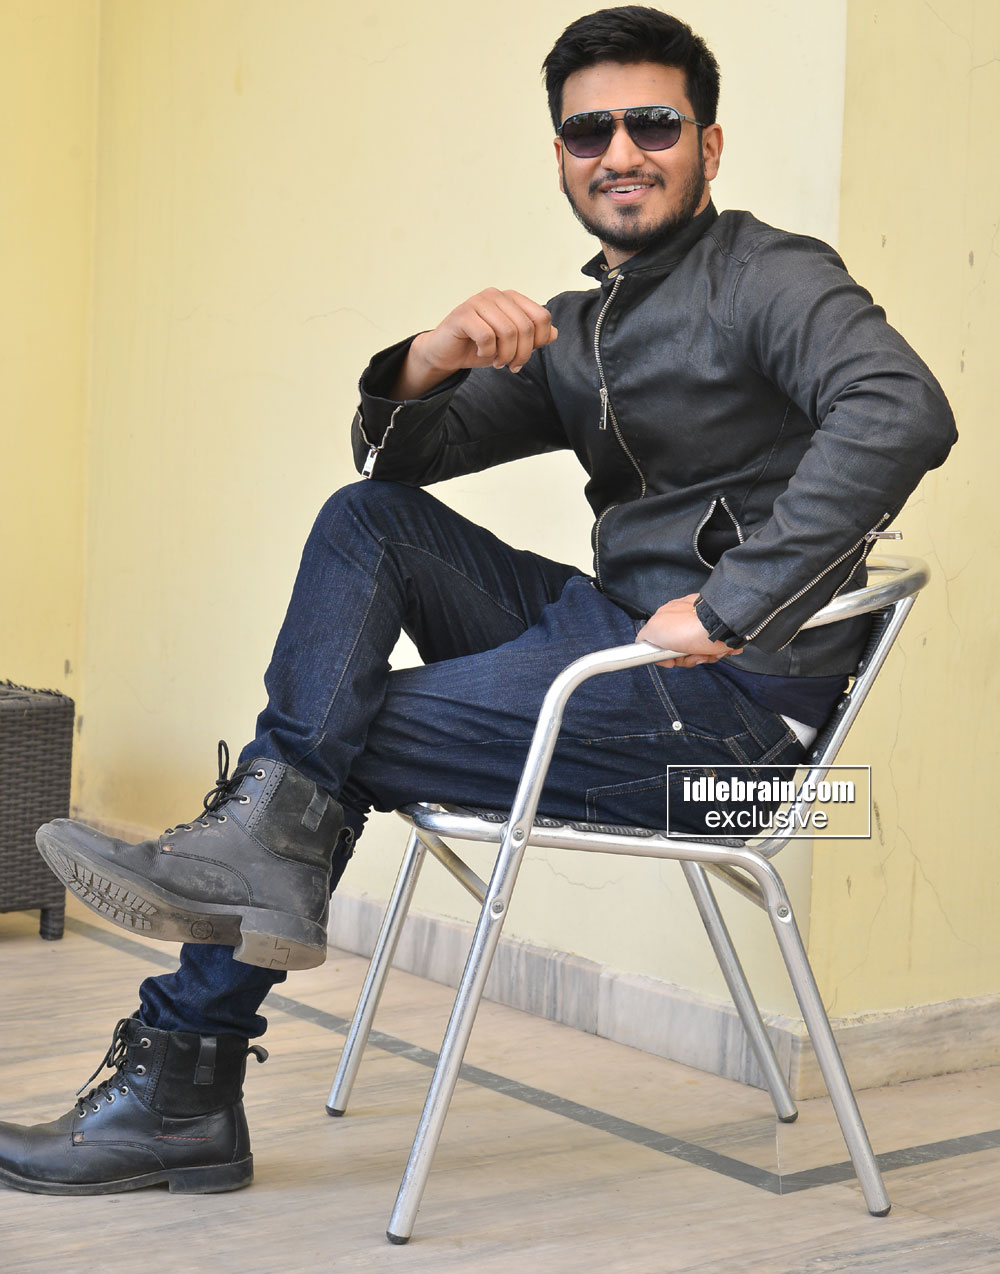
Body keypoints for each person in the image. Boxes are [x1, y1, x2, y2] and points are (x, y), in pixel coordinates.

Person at [0, 5, 955, 1197]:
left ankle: (182, 1076)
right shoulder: (583, 326)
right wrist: (433, 354)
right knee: (366, 523)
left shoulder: (771, 274)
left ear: (708, 144)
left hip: (726, 724)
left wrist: (730, 606)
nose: (620, 152)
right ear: (560, 155)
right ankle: (235, 920)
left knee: (323, 744)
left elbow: (900, 408)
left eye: (653, 124)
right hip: (615, 650)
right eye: (589, 131)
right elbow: (403, 463)